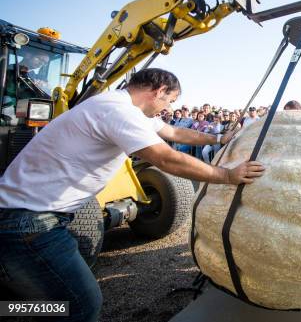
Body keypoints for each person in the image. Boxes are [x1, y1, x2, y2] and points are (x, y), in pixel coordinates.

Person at [0, 68, 264, 322]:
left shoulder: (125, 109)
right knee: (81, 306)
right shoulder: (118, 111)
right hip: (29, 221)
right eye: (169, 101)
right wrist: (227, 176)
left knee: (55, 301)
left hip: (31, 216)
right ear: (159, 91)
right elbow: (166, 159)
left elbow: (173, 132)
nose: (169, 109)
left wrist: (218, 139)